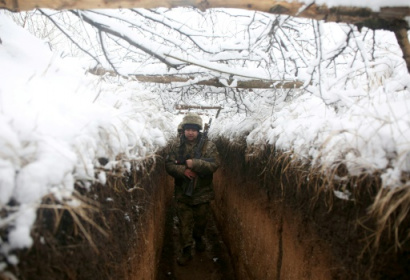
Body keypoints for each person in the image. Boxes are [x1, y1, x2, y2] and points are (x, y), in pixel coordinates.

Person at [165, 113, 220, 266]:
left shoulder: (209, 146)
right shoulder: (176, 146)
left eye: (194, 130)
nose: (190, 132)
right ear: (183, 130)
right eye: (188, 129)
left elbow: (214, 164)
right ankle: (186, 250)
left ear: (198, 131)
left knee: (201, 222)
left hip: (203, 194)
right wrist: (184, 171)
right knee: (184, 224)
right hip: (183, 194)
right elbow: (169, 165)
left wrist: (194, 164)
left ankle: (198, 237)